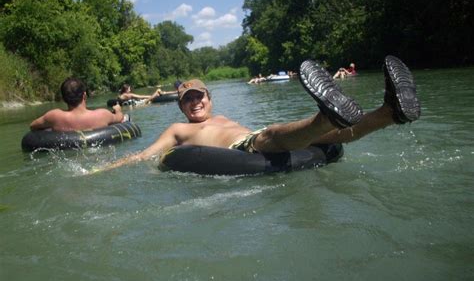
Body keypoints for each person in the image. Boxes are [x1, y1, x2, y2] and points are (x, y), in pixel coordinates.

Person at [99, 55, 420, 171]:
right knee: (268, 135)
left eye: (199, 97)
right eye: (187, 100)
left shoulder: (224, 119)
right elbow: (148, 155)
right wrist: (109, 167)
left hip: (260, 138)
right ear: (181, 106)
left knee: (333, 137)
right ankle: (326, 115)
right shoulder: (176, 128)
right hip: (248, 148)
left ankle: (390, 112)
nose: (194, 103)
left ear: (209, 98)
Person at [30, 77, 125, 132]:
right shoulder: (102, 114)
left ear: (63, 99)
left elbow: (33, 126)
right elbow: (119, 118)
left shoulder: (54, 116)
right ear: (84, 95)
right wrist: (118, 109)